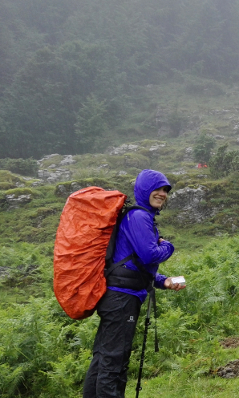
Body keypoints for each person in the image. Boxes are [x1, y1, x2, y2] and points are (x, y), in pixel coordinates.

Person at [83, 169, 185, 398]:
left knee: (103, 358)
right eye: (157, 189)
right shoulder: (139, 217)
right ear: (144, 190)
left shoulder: (136, 216)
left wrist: (163, 281)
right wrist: (168, 246)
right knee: (114, 362)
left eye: (166, 190)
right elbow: (149, 255)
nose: (162, 194)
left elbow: (133, 264)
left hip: (118, 296)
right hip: (122, 300)